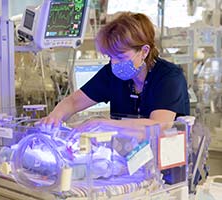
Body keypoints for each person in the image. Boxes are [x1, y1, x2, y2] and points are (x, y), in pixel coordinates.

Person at [40, 11, 190, 132]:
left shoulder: (169, 77)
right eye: (110, 56)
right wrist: (55, 117)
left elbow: (159, 126)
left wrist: (102, 124)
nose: (115, 63)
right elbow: (73, 102)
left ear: (144, 51)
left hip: (168, 162)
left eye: (121, 56)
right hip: (128, 159)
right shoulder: (112, 74)